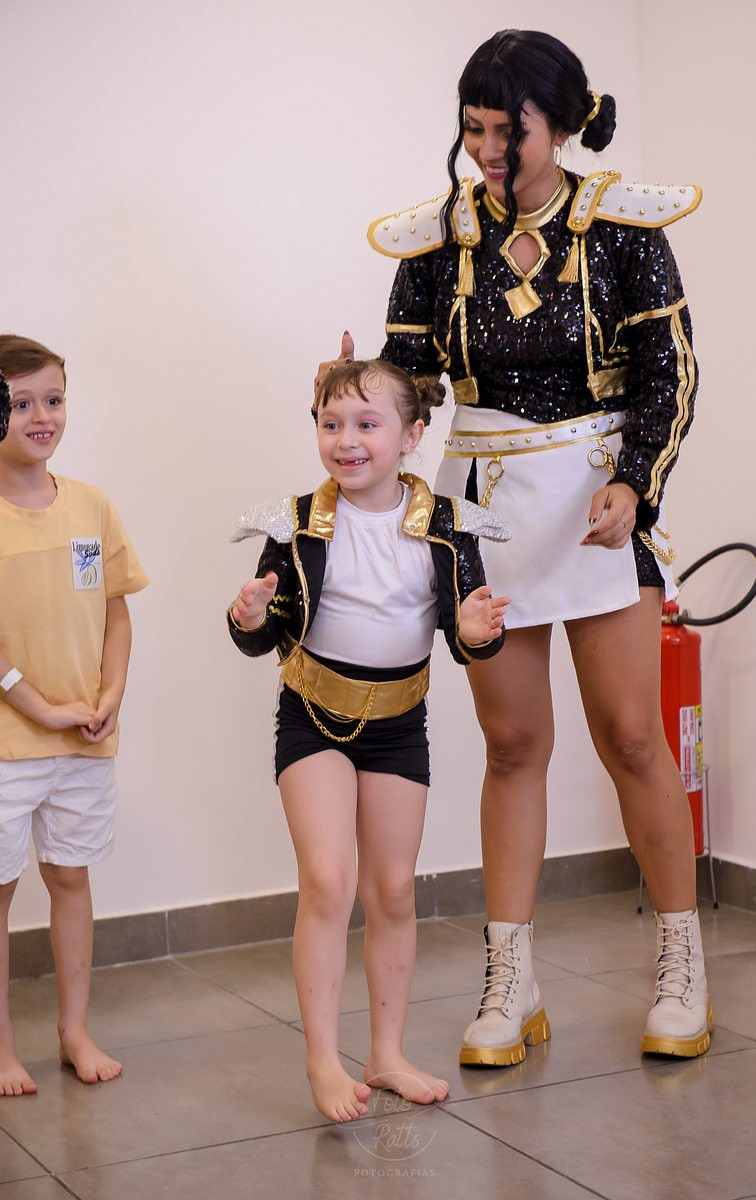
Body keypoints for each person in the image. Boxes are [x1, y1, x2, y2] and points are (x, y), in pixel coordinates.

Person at [323, 28, 709, 1065]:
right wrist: (359, 396)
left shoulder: (623, 230)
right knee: (512, 745)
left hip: (597, 506)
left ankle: (681, 963)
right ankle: (511, 981)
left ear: (563, 124)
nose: (490, 151)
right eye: (475, 129)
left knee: (631, 737)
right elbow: (414, 383)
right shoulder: (435, 241)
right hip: (485, 506)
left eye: (510, 131)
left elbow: (670, 375)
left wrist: (636, 482)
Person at [227, 358, 509, 1122]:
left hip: (398, 725)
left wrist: (475, 631)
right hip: (312, 716)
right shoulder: (293, 523)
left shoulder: (447, 524)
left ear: (412, 435)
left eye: (365, 424)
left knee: (391, 890)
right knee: (327, 880)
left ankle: (386, 1053)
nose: (345, 441)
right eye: (330, 424)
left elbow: (465, 634)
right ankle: (323, 1059)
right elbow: (263, 632)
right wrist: (248, 617)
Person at [0, 336, 147, 1096]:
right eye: (20, 403)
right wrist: (42, 708)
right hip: (8, 744)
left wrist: (108, 693)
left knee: (70, 877)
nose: (41, 416)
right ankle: (2, 1049)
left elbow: (115, 610)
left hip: (83, 738)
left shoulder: (91, 505)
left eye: (53, 400)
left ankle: (74, 1031)